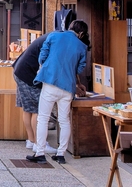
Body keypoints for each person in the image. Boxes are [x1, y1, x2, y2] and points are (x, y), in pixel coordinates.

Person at [26, 20, 89, 165]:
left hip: (50, 82)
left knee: (43, 118)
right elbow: (79, 69)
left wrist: (48, 65)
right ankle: (61, 154)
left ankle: (40, 152)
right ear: (81, 33)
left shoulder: (54, 36)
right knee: (64, 120)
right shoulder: (82, 46)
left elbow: (42, 56)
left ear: (70, 28)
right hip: (67, 87)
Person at [12, 33, 57, 155]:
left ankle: (31, 141)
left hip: (19, 71)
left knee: (28, 109)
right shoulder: (55, 42)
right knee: (38, 110)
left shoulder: (49, 37)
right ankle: (39, 143)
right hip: (29, 75)